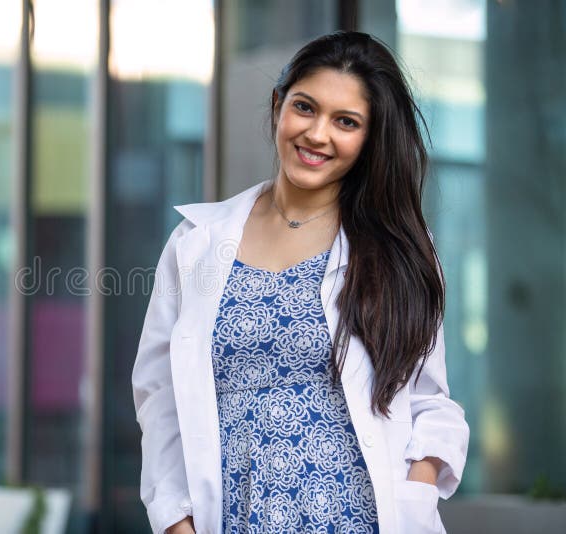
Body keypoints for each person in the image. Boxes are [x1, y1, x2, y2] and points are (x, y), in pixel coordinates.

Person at [131, 31, 469, 534]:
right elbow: (159, 397)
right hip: (232, 518)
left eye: (346, 122)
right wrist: (177, 522)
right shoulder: (196, 242)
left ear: (369, 138)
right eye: (305, 107)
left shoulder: (398, 251)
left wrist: (417, 493)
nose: (317, 134)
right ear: (277, 106)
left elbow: (428, 400)